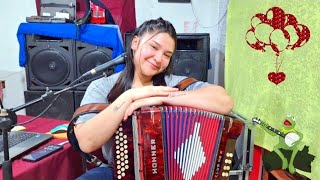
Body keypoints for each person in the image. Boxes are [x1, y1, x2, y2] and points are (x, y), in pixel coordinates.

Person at [74, 17, 233, 179]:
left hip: (174, 172)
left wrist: (163, 96)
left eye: (167, 55)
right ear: (135, 43)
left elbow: (224, 102)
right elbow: (87, 142)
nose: (158, 59)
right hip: (120, 173)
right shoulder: (103, 86)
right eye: (154, 47)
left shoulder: (177, 83)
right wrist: (130, 96)